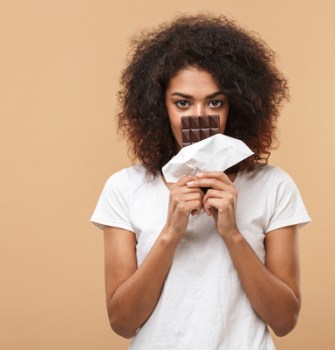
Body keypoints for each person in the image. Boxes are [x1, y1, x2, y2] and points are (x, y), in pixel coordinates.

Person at [91, 14, 311, 350]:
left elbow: (284, 320)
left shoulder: (273, 186)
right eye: (182, 103)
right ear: (158, 107)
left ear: (235, 106)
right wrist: (171, 232)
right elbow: (122, 322)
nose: (199, 116)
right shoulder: (124, 189)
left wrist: (232, 234)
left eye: (215, 102)